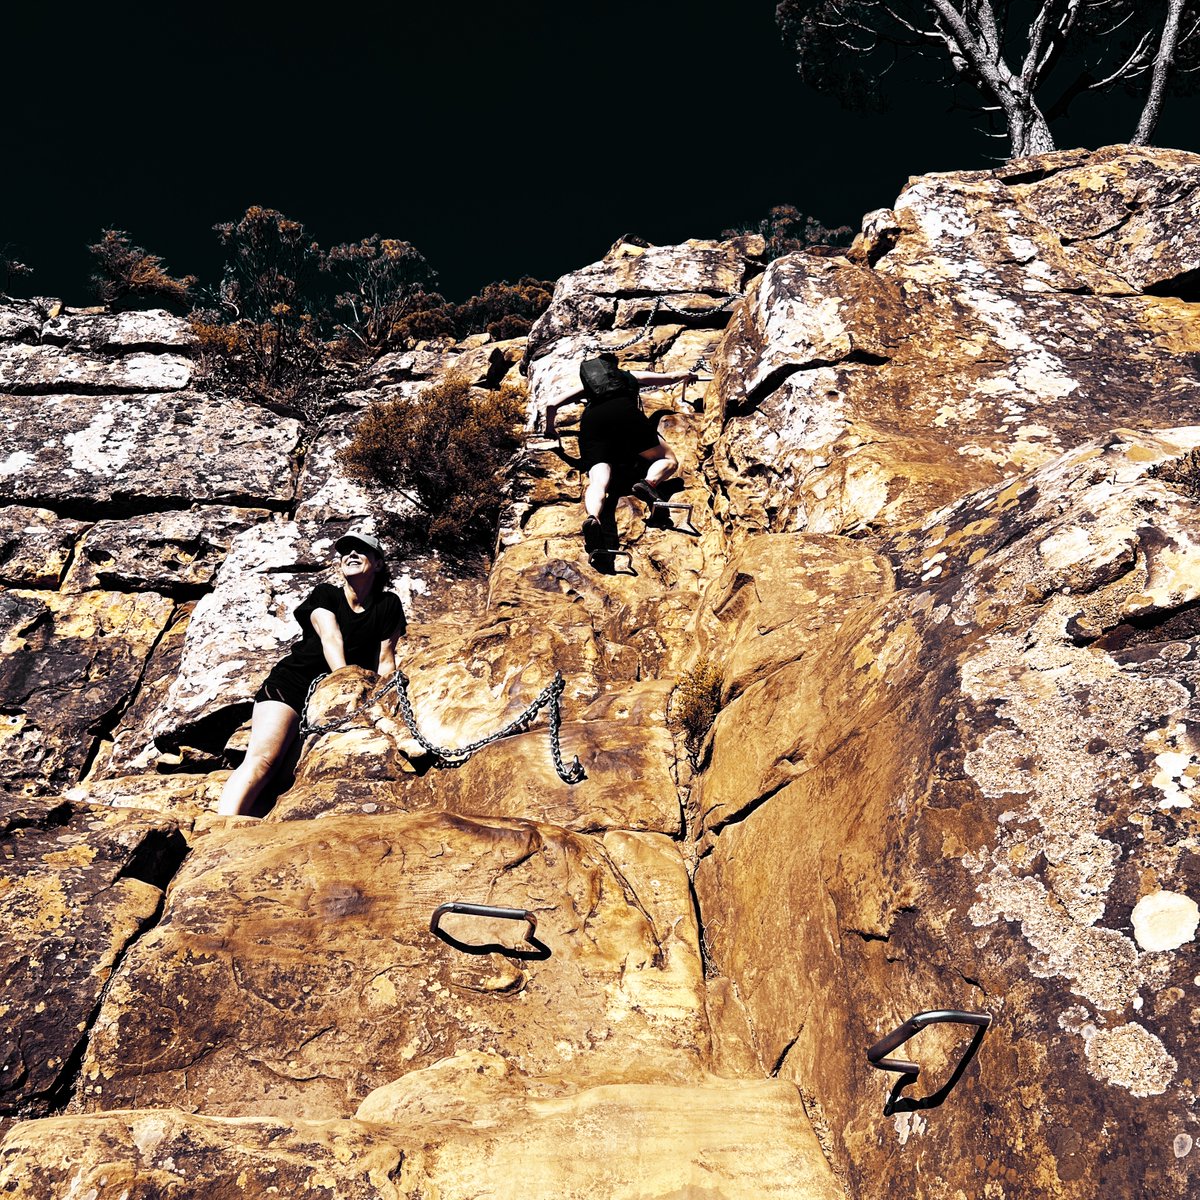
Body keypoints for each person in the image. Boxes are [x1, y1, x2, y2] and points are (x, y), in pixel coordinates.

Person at [216, 530, 406, 816]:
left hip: (340, 699)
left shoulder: (388, 605)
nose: (350, 554)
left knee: (286, 777)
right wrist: (345, 684)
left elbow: (385, 660)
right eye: (345, 551)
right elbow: (331, 638)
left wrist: (384, 700)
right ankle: (223, 824)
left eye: (360, 550)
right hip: (293, 686)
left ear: (378, 563)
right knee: (264, 760)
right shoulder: (326, 594)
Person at [540, 353, 696, 554]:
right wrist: (687, 374)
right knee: (667, 460)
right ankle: (648, 484)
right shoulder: (628, 377)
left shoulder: (589, 388)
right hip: (624, 414)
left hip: (593, 423)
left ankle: (593, 518)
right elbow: (671, 378)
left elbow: (552, 405)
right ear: (614, 368)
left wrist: (550, 430)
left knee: (598, 480)